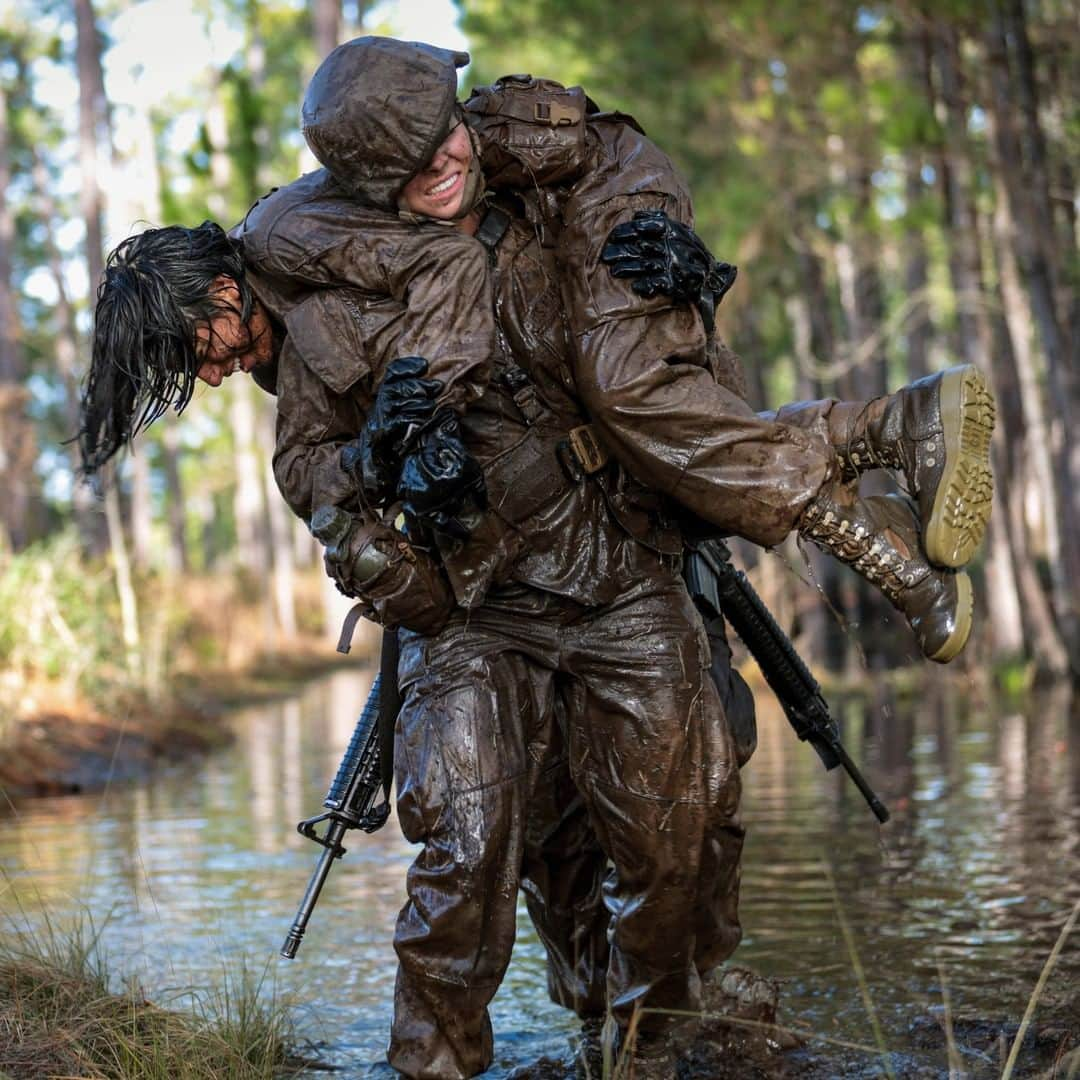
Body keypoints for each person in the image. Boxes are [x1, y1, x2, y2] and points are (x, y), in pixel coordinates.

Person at [80, 37, 996, 1079]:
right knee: (477, 849)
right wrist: (393, 481)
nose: (211, 369)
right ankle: (480, 1056)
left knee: (677, 833)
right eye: (194, 362)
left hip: (620, 570)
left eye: (202, 341)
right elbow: (338, 511)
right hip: (478, 612)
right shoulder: (311, 330)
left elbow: (664, 382)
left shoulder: (498, 176)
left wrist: (688, 274)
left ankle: (661, 1046)